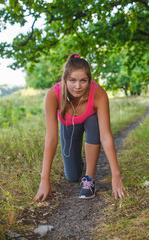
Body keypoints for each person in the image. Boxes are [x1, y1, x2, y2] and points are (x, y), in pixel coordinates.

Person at [32, 53, 126, 202]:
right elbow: (51, 138)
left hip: (91, 124)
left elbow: (106, 136)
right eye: (72, 80)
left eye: (83, 80)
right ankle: (80, 163)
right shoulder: (52, 95)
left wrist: (116, 175)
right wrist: (44, 180)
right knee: (73, 176)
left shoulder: (99, 94)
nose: (77, 86)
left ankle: (89, 179)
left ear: (89, 80)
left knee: (93, 122)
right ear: (64, 80)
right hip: (69, 127)